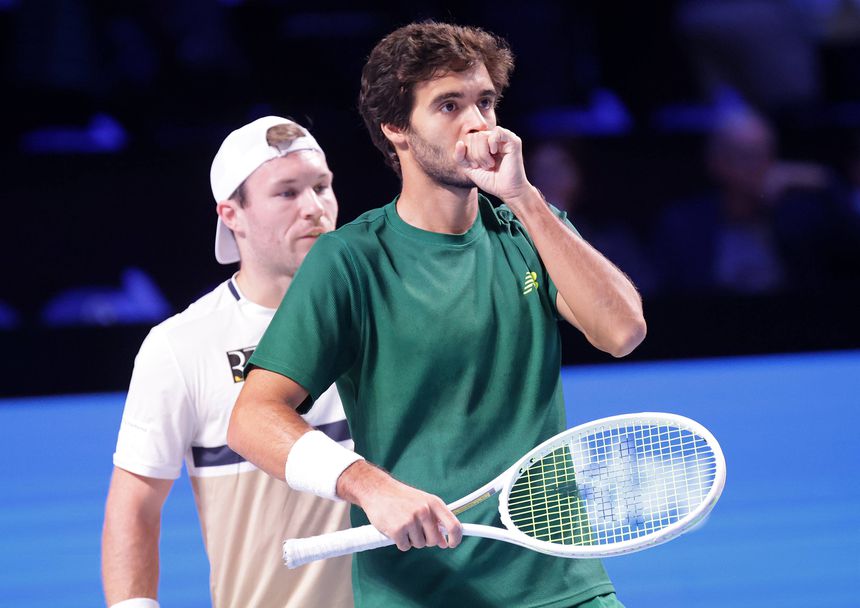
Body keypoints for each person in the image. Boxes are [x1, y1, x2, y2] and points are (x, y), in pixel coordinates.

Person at [228, 22, 646, 608]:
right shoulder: (350, 259)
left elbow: (623, 331)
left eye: (485, 103)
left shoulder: (525, 227)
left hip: (562, 585)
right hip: (417, 591)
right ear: (395, 128)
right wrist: (369, 487)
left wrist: (525, 198)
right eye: (448, 105)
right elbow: (252, 418)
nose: (477, 123)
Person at [101, 116, 354, 608]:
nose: (315, 209)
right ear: (231, 214)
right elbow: (134, 505)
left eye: (322, 187)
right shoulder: (180, 345)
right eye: (287, 193)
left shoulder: (384, 314)